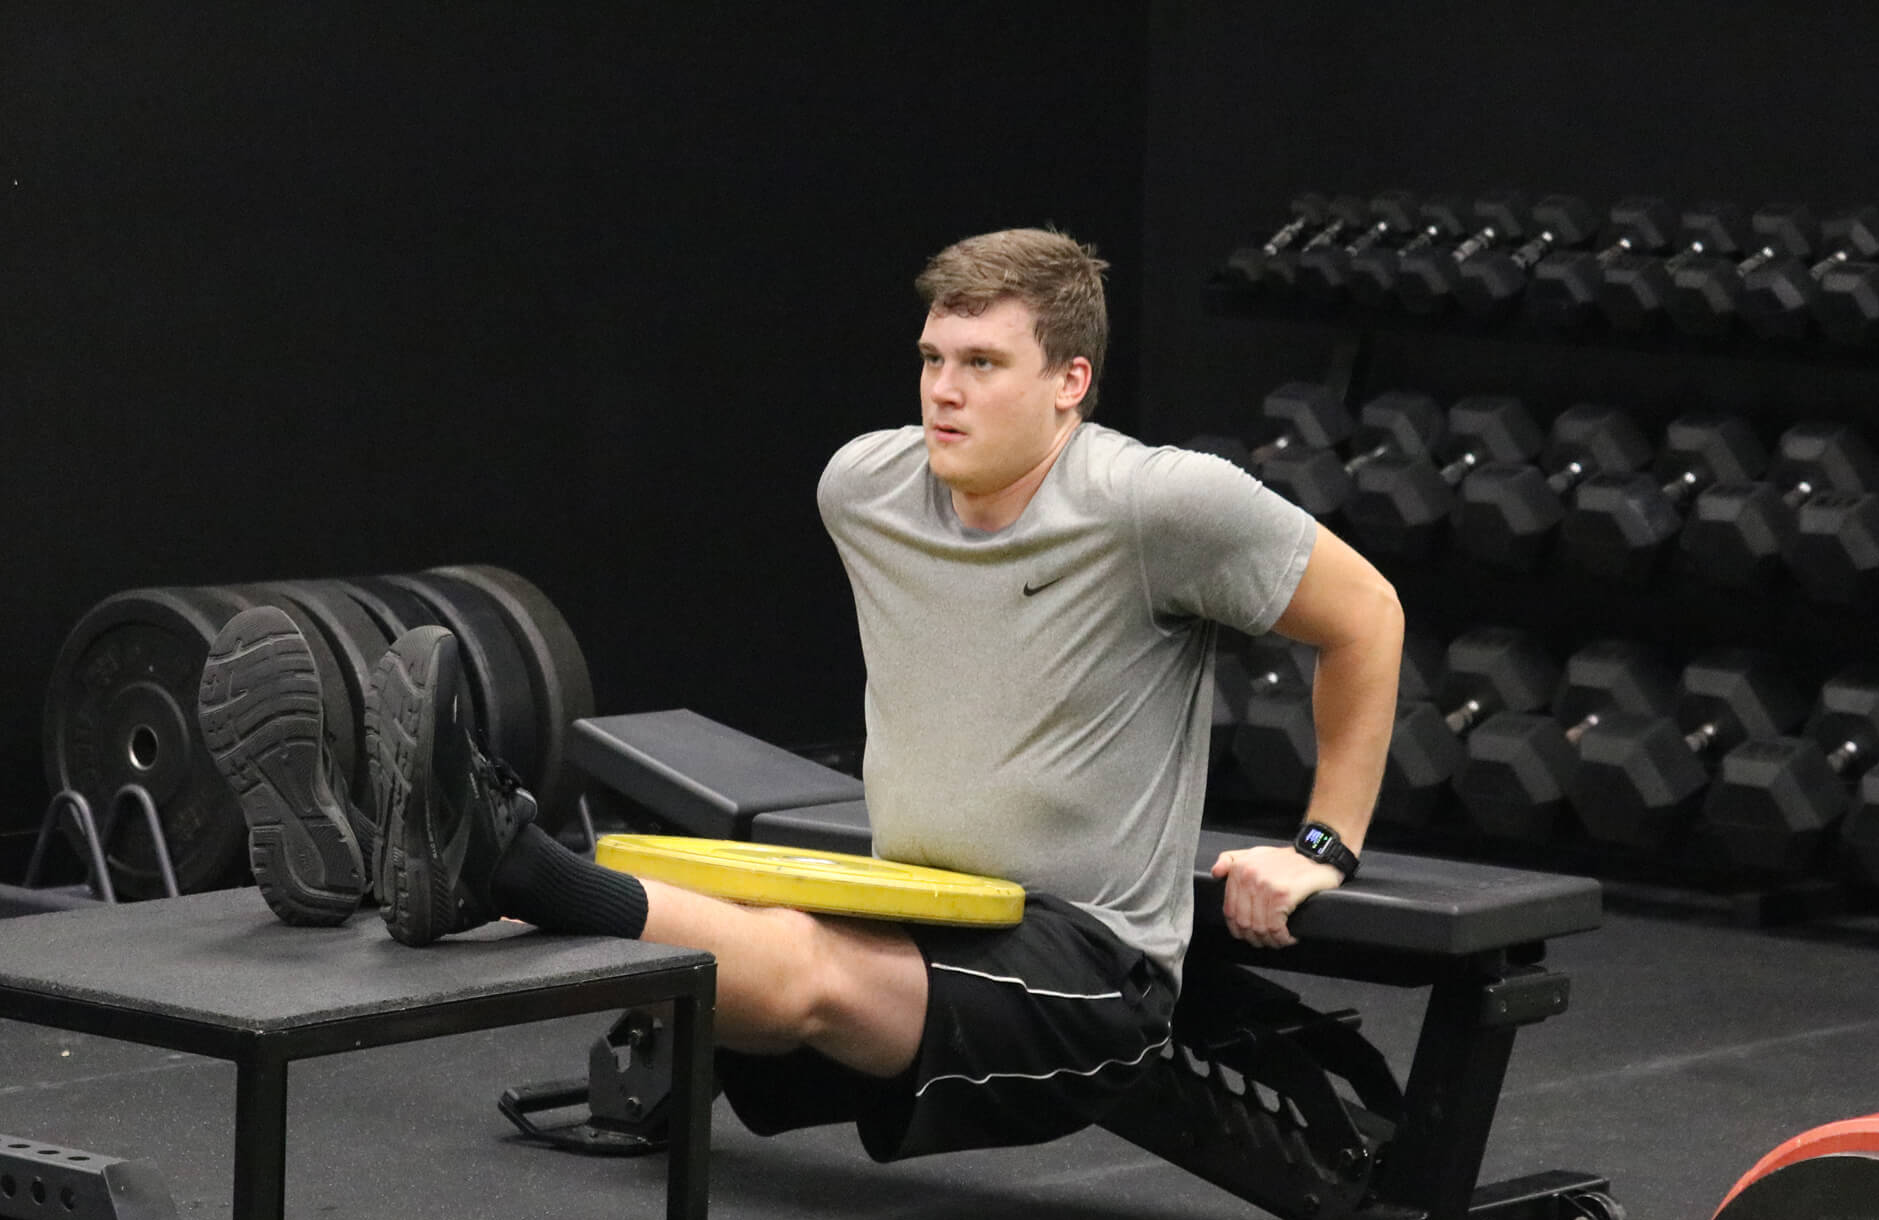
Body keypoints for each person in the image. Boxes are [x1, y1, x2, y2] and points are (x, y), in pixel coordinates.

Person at [197, 225, 1402, 1162]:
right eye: (931, 359)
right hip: (923, 900)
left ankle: (501, 856)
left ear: (1068, 382)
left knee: (796, 968)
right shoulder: (864, 486)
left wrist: (1320, 845)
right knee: (684, 927)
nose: (943, 390)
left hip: (1088, 967)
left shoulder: (1158, 506)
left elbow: (1367, 618)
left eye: (982, 364)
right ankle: (373, 864)